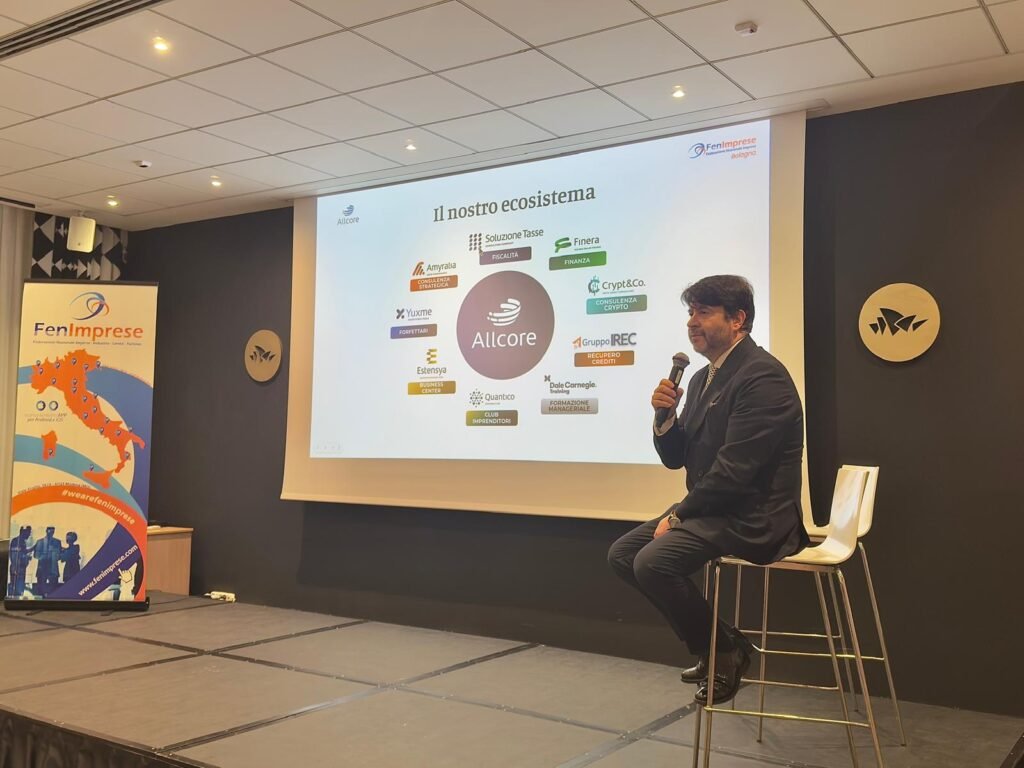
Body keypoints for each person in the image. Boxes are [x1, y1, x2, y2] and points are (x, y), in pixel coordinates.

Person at [607, 274, 808, 705]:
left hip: (754, 514)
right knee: (623, 555)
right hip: (717, 508)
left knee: (653, 562)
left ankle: (721, 653)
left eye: (703, 312)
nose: (692, 322)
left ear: (738, 320)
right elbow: (677, 458)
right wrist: (665, 418)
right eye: (690, 312)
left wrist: (680, 514)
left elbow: (736, 472)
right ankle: (723, 643)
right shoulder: (701, 379)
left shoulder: (762, 377)